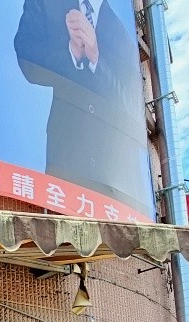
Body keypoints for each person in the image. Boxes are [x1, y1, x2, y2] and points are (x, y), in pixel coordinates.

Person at [14, 0, 152, 217]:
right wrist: (72, 53)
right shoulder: (43, 3)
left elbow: (132, 106)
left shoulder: (122, 36)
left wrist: (95, 55)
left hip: (118, 178)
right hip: (67, 160)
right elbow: (26, 57)